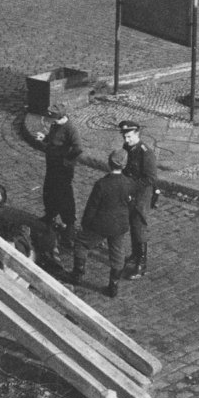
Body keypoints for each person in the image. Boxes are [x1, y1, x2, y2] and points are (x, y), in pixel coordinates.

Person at [71, 150, 136, 298]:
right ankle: (113, 286)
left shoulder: (102, 184)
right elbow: (131, 206)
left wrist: (85, 224)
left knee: (82, 243)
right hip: (119, 226)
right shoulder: (129, 184)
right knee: (118, 253)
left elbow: (91, 208)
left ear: (108, 163)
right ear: (124, 165)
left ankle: (77, 275)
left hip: (100, 225)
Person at [33, 102, 82, 249]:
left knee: (64, 196)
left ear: (61, 117)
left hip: (63, 168)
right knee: (49, 190)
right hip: (52, 165)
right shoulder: (55, 125)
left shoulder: (70, 129)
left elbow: (78, 148)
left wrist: (65, 158)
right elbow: (52, 139)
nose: (50, 121)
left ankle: (69, 227)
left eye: (53, 118)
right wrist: (45, 138)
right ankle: (50, 215)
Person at [119, 120, 158, 280]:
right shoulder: (128, 147)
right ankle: (135, 255)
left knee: (139, 227)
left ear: (137, 134)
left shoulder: (145, 152)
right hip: (131, 193)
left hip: (141, 195)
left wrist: (131, 187)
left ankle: (141, 264)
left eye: (129, 136)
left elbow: (150, 178)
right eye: (125, 137)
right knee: (132, 225)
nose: (126, 140)